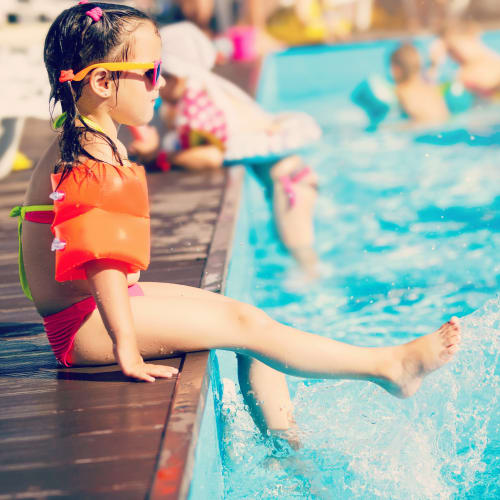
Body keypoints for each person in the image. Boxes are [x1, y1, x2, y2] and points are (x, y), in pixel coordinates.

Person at [11, 2, 461, 449]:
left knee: (249, 319)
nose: (160, 83)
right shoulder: (90, 152)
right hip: (85, 326)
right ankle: (387, 368)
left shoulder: (88, 137)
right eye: (149, 73)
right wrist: (125, 346)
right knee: (248, 327)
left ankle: (287, 447)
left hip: (96, 310)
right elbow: (101, 260)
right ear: (102, 81)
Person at [130, 22, 321, 276]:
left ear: (177, 75)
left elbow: (211, 156)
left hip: (289, 185)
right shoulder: (202, 91)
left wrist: (161, 156)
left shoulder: (197, 106)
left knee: (303, 259)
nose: (157, 85)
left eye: (157, 76)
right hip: (291, 178)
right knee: (293, 253)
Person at [432, 20, 500, 98]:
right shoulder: (460, 75)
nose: (453, 56)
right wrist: (434, 65)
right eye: (449, 52)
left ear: (471, 35)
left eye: (453, 48)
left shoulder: (494, 65)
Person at [390, 42, 450, 124]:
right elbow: (430, 76)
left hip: (422, 129)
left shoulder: (400, 91)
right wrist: (434, 65)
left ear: (396, 69)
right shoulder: (431, 88)